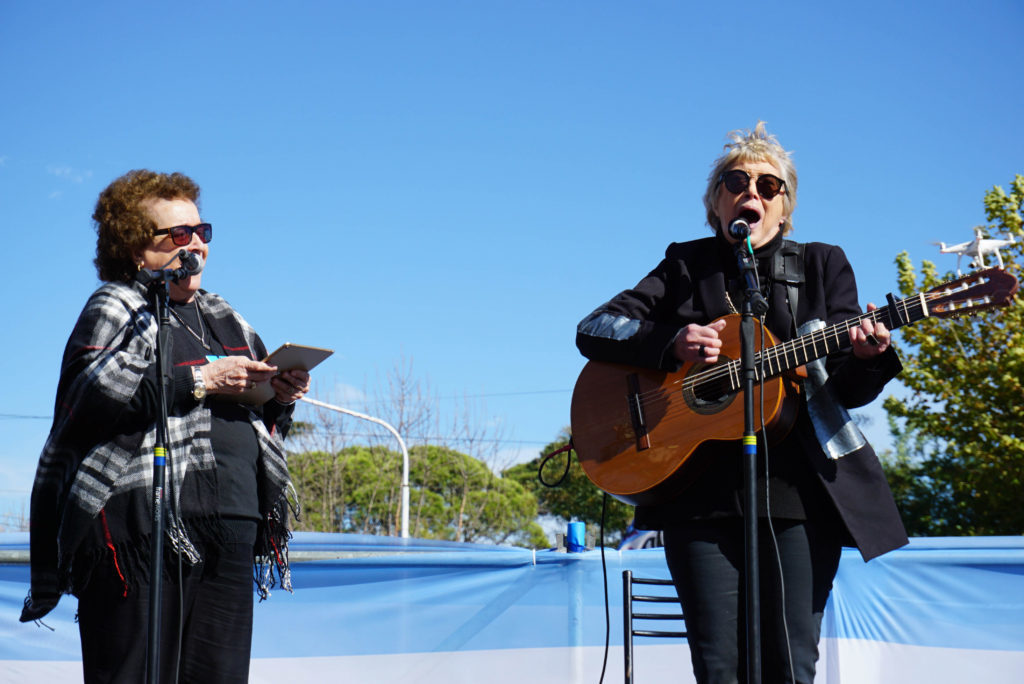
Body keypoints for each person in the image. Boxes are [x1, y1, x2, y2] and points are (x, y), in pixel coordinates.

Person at [575, 123, 908, 684]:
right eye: (737, 181)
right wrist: (668, 343)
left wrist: (870, 356)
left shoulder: (822, 266)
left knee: (790, 665)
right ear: (717, 201)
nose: (752, 192)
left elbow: (847, 390)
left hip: (800, 496)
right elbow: (594, 328)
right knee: (718, 665)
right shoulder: (685, 266)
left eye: (769, 186)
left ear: (784, 207)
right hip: (694, 497)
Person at [21, 170, 309, 683]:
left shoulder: (227, 318)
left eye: (202, 232)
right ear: (137, 248)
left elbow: (255, 412)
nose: (195, 243)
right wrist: (201, 378)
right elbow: (93, 399)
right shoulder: (118, 307)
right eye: (179, 234)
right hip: (142, 525)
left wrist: (277, 395)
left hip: (233, 518)